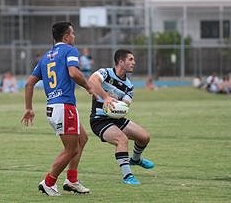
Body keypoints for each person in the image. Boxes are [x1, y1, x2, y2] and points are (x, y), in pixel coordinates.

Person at [21, 21, 93, 196]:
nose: (74, 37)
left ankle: (72, 180)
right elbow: (74, 73)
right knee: (72, 149)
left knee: (82, 138)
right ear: (66, 37)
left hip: (53, 107)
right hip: (64, 106)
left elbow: (29, 83)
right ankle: (48, 182)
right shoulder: (70, 50)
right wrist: (89, 87)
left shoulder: (46, 57)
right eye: (73, 33)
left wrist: (29, 108)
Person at [88, 49, 154, 185]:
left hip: (116, 119)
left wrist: (117, 104)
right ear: (121, 61)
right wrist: (106, 97)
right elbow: (92, 80)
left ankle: (135, 159)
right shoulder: (105, 73)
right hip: (99, 120)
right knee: (122, 140)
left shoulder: (129, 86)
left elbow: (124, 106)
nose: (134, 63)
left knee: (144, 137)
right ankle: (127, 176)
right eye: (130, 59)